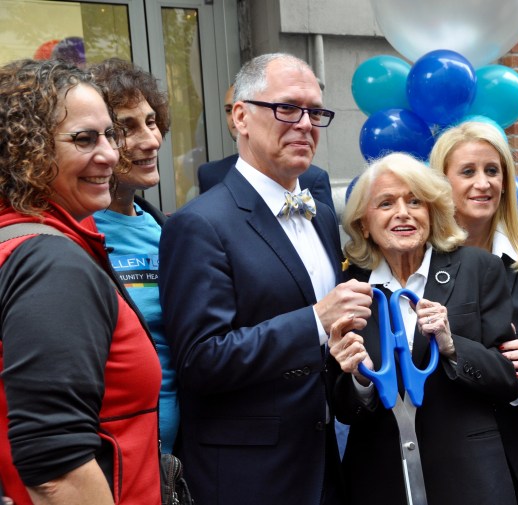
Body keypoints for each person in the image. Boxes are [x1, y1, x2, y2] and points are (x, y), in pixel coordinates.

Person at [159, 52, 373, 504]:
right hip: (249, 476)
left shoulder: (321, 215)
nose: (305, 123)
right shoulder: (199, 224)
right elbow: (201, 359)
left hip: (324, 465)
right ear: (241, 116)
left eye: (315, 111)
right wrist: (315, 320)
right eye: (287, 108)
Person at [0, 59, 161, 504]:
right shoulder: (50, 263)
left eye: (109, 134)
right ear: (25, 151)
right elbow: (56, 469)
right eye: (84, 139)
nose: (111, 153)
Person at [329, 152, 518, 505]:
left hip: (470, 479)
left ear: (432, 214)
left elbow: (509, 378)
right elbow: (343, 408)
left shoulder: (479, 269)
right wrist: (358, 379)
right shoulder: (348, 288)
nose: (403, 212)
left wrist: (452, 346)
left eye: (415, 201)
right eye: (386, 203)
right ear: (363, 224)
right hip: (379, 481)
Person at [429, 121, 518, 505]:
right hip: (443, 453)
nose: (483, 183)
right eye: (467, 172)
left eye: (493, 171)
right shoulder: (418, 257)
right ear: (441, 182)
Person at [88, 58, 179, 454]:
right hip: (111, 461)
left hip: (179, 462)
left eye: (151, 121)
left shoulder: (166, 229)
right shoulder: (74, 236)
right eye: (126, 128)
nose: (151, 140)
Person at [197, 85, 336, 214]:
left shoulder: (314, 179)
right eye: (228, 110)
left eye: (315, 112)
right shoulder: (210, 174)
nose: (305, 124)